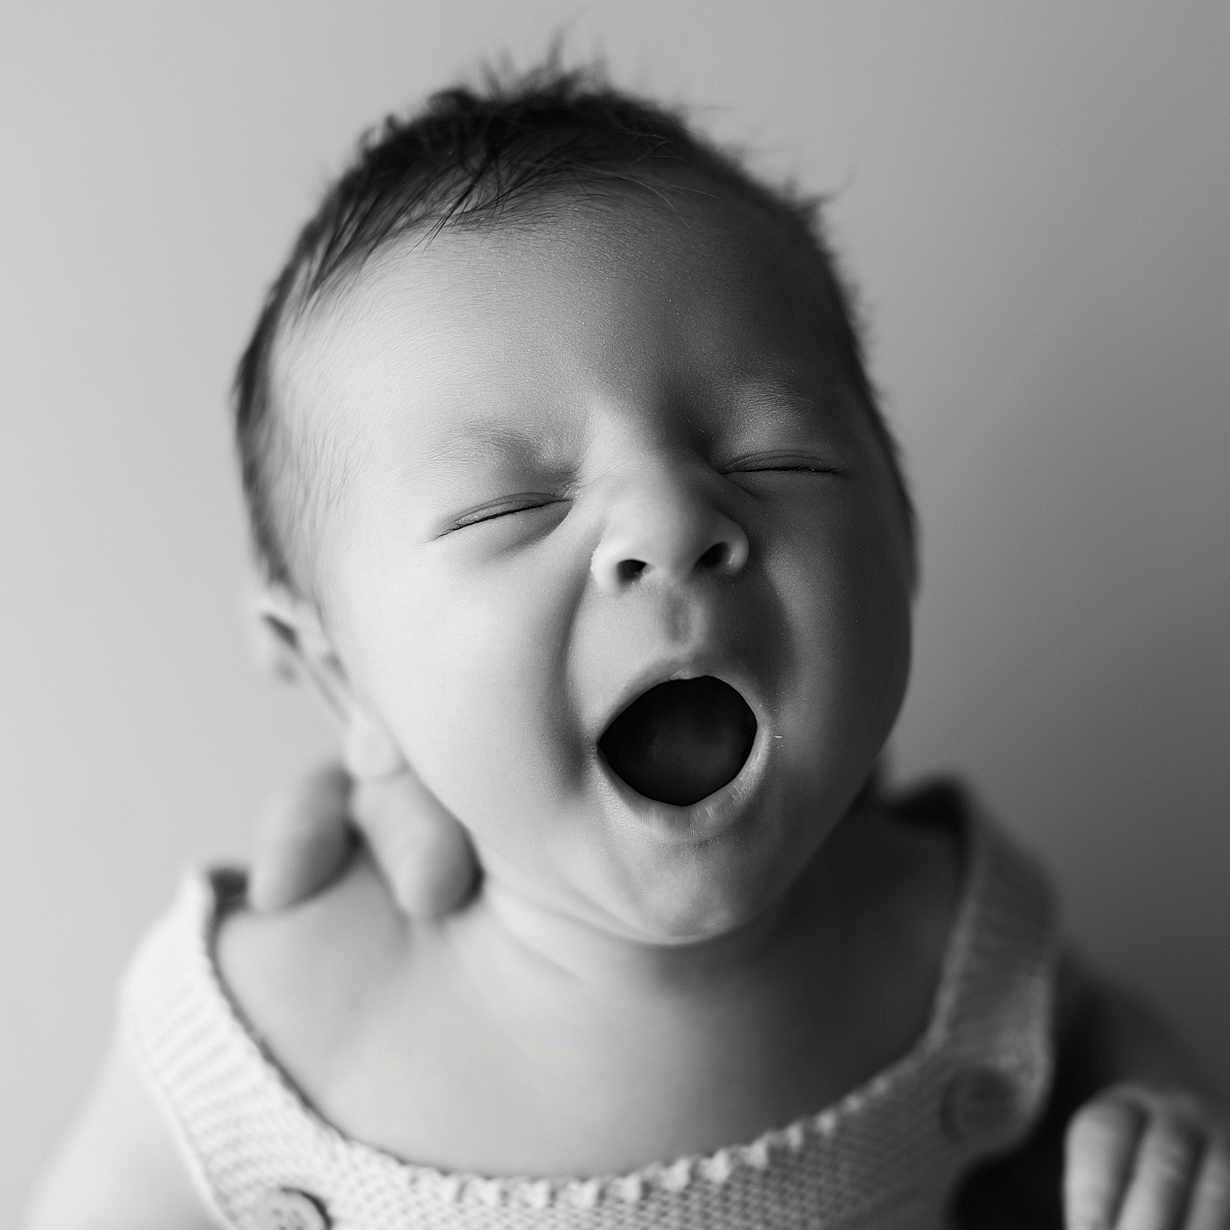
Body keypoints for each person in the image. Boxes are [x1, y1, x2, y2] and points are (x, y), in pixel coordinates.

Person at [24, 51, 1227, 1230]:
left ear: (904, 541)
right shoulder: (266, 1041)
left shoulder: (952, 943)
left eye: (771, 454)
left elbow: (1087, 1035)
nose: (669, 522)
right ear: (342, 675)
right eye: (510, 504)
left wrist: (1158, 1110)